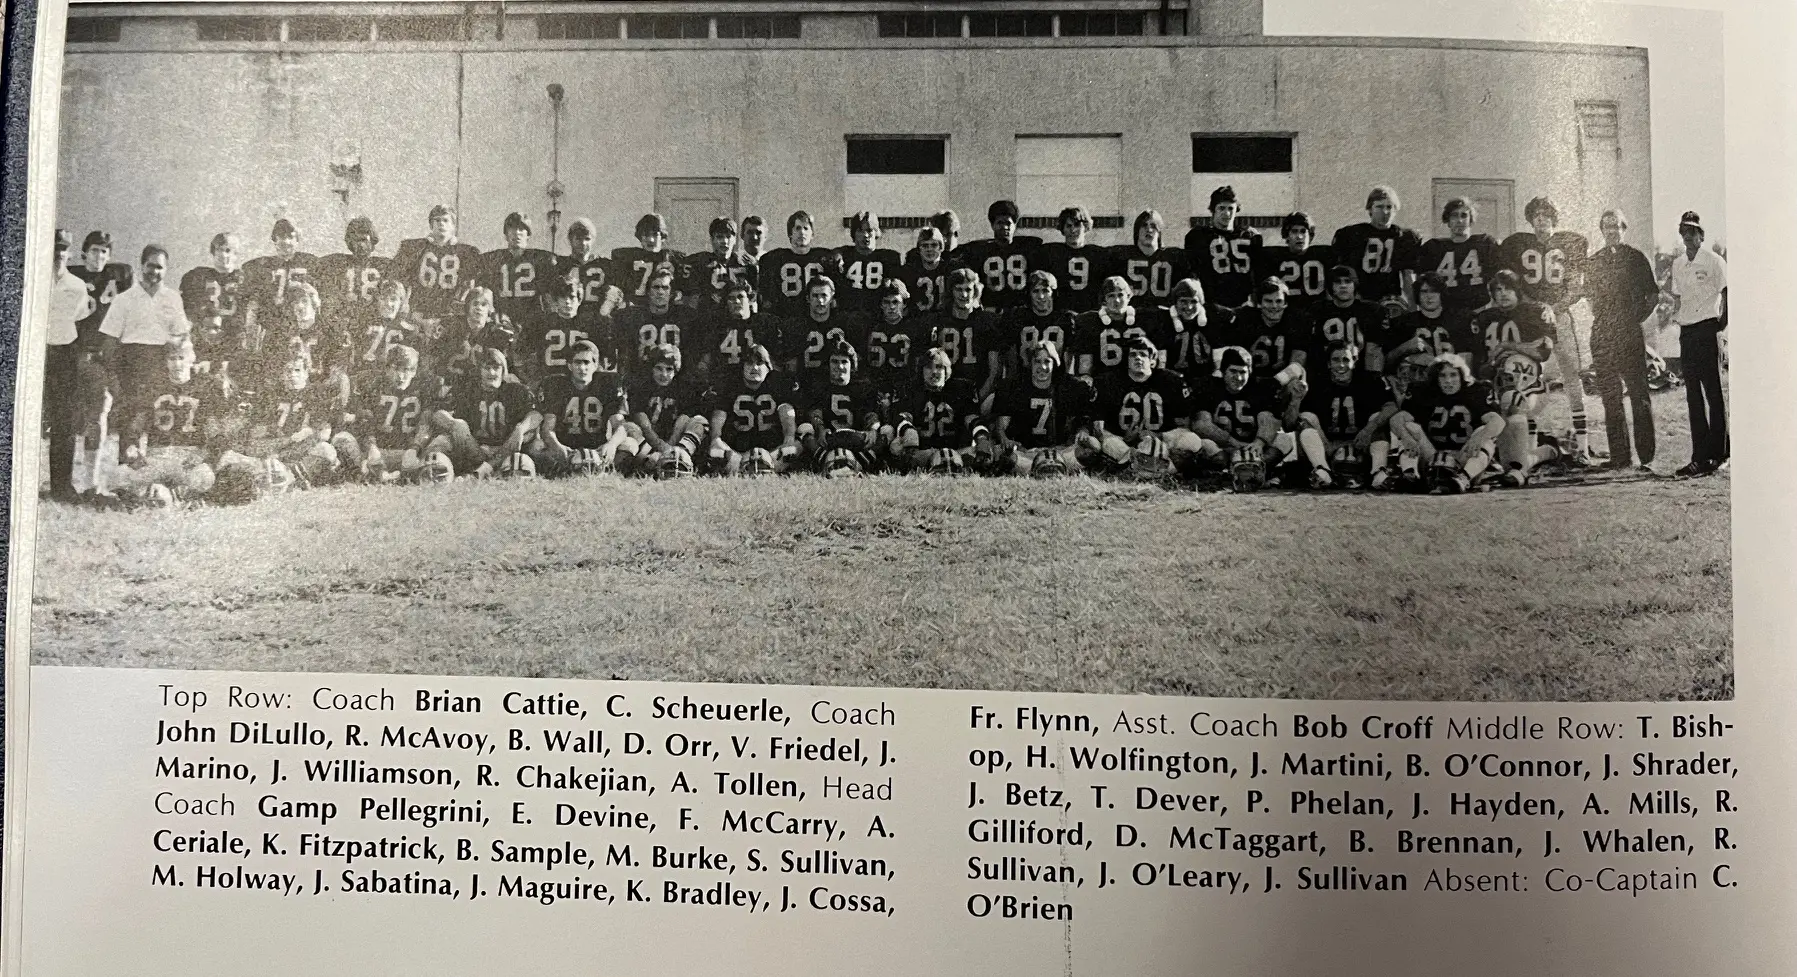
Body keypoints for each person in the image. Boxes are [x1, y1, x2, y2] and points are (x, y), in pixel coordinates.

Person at [1501, 196, 1593, 460]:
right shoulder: (1519, 245)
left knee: (1571, 375)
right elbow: (1515, 286)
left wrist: (1555, 307)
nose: (1541, 219)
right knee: (1529, 375)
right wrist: (1536, 306)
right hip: (1532, 317)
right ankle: (1528, 447)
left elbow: (1576, 287)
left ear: (1554, 217)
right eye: (1536, 215)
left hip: (1560, 317)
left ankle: (1583, 447)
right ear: (1530, 219)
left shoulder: (1569, 244)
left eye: (1546, 214)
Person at [99, 245, 191, 497]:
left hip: (162, 364)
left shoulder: (172, 298)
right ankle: (127, 484)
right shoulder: (124, 299)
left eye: (160, 267)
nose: (154, 272)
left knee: (161, 422)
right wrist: (113, 377)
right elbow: (110, 341)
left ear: (166, 270)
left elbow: (182, 334)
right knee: (132, 424)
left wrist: (177, 355)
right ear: (142, 266)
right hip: (132, 365)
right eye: (150, 266)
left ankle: (157, 481)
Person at [1584, 208, 1660, 472]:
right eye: (1607, 226)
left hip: (1629, 333)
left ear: (1624, 229)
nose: (1612, 231)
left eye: (1616, 226)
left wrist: (1634, 318)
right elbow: (1591, 299)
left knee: (1639, 394)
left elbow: (1652, 296)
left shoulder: (1636, 258)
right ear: (1602, 230)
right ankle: (1620, 457)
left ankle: (1646, 457)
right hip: (1603, 334)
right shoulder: (1594, 261)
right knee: (1610, 396)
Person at [110, 339, 227, 506]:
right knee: (118, 476)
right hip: (158, 457)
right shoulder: (154, 387)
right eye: (172, 358)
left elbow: (217, 435)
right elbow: (135, 427)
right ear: (165, 361)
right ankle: (172, 495)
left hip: (187, 458)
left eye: (181, 358)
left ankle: (164, 494)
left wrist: (201, 456)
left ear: (191, 360)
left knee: (204, 476)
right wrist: (132, 447)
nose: (177, 364)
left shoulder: (203, 389)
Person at [1089, 335, 1211, 479]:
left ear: (1152, 360)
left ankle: (1141, 467)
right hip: (1123, 441)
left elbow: (1183, 424)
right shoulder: (1109, 382)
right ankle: (1165, 468)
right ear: (1126, 360)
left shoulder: (1171, 381)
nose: (1138, 358)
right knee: (1110, 442)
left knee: (1192, 440)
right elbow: (1099, 429)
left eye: (1143, 354)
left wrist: (1158, 436)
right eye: (1133, 355)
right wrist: (1127, 439)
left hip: (1162, 438)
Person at [1667, 210, 1728, 476]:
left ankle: (1719, 454)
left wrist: (1721, 325)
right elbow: (1678, 297)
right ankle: (1699, 457)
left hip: (1708, 329)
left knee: (1713, 393)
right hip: (1688, 333)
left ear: (1701, 236)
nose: (1687, 237)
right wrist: (1677, 319)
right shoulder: (1678, 264)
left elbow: (1728, 292)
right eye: (1683, 232)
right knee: (1693, 395)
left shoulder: (1713, 260)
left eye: (1692, 232)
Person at [984, 340, 1096, 476]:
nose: (1042, 367)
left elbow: (1082, 420)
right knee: (1002, 455)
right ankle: (1048, 468)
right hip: (1025, 452)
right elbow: (1001, 427)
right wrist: (1005, 440)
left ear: (1055, 363)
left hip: (1060, 450)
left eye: (1047, 361)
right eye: (1037, 361)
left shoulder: (1067, 388)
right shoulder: (1015, 387)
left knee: (1091, 448)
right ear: (1030, 363)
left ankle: (1042, 468)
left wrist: (1082, 432)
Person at [1395, 355, 1505, 493]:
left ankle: (1463, 479)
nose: (1448, 380)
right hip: (1431, 456)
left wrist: (1479, 437)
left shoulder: (1476, 392)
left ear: (1462, 376)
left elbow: (1498, 421)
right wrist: (1406, 437)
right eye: (1442, 375)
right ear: (1436, 378)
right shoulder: (1424, 392)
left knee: (1483, 431)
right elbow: (1397, 419)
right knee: (1410, 427)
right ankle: (1410, 476)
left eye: (1453, 375)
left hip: (1464, 458)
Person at [426, 346, 541, 478]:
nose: (492, 372)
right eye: (487, 368)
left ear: (504, 370)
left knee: (528, 439)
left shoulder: (516, 390)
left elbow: (536, 415)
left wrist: (521, 429)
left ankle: (482, 471)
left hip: (505, 450)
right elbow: (438, 412)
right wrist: (454, 423)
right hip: (472, 447)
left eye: (496, 368)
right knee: (441, 441)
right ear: (479, 371)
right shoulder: (467, 389)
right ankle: (428, 473)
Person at [1295, 341, 1396, 489]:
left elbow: (1392, 407)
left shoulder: (1369, 380)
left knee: (1378, 418)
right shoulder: (1317, 383)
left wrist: (1368, 430)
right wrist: (1326, 443)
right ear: (1328, 364)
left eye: (1346, 360)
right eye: (1336, 360)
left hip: (1362, 442)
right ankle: (1322, 471)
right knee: (1306, 418)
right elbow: (1300, 418)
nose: (1341, 365)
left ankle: (1378, 472)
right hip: (1327, 445)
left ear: (1354, 362)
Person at [1192, 345, 1292, 491]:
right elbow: (1201, 424)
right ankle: (1238, 474)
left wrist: (1260, 442)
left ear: (1249, 372)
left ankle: (1253, 470)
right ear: (1223, 371)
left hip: (1253, 447)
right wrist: (1232, 443)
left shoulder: (1259, 386)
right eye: (1233, 371)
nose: (1238, 378)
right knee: (1204, 444)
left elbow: (1268, 418)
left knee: (1285, 440)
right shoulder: (1209, 386)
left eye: (1243, 372)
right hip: (1223, 446)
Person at [533, 339, 633, 475]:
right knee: (537, 446)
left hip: (597, 448)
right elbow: (547, 428)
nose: (582, 367)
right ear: (569, 365)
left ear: (595, 365)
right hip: (566, 448)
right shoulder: (556, 384)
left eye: (586, 362)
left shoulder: (608, 384)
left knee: (630, 444)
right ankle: (564, 468)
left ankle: (603, 468)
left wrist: (611, 444)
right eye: (577, 362)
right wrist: (557, 446)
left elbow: (619, 426)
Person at [344, 344, 439, 484]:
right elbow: (366, 420)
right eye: (395, 369)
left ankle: (385, 475)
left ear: (414, 371)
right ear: (387, 369)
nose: (401, 376)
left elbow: (425, 423)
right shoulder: (375, 385)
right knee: (346, 443)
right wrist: (372, 447)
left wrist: (414, 448)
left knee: (436, 454)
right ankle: (387, 474)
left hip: (408, 451)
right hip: (379, 450)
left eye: (406, 369)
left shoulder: (423, 387)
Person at [45, 230, 92, 503]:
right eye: (54, 248)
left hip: (63, 352)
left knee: (64, 421)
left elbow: (80, 319)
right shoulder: (31, 278)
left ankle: (61, 486)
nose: (58, 254)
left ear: (70, 253)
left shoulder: (77, 285)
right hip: (34, 351)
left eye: (63, 249)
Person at [707, 342, 800, 475]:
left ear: (768, 367)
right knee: (716, 451)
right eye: (749, 363)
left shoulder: (777, 383)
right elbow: (719, 414)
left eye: (759, 363)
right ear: (742, 366)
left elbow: (786, 411)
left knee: (795, 444)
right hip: (737, 448)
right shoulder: (731, 384)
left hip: (772, 447)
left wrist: (789, 437)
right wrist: (716, 437)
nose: (754, 367)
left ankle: (767, 466)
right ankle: (747, 466)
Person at [889, 346, 985, 473]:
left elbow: (971, 419)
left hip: (957, 450)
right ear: (921, 370)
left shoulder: (960, 390)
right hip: (923, 452)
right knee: (895, 444)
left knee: (986, 448)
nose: (934, 372)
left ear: (947, 370)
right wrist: (908, 430)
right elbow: (903, 417)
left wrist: (982, 437)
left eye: (939, 367)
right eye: (929, 367)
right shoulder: (912, 390)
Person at [1330, 185, 1423, 315]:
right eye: (1379, 207)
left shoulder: (1404, 237)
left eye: (1389, 207)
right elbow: (1343, 273)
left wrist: (1413, 309)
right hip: (1360, 297)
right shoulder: (1352, 234)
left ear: (1395, 210)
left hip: (1391, 301)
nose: (1385, 212)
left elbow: (1408, 277)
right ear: (1370, 209)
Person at [800, 339, 885, 475]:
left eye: (844, 362)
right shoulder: (820, 388)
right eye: (835, 361)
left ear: (852, 365)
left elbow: (871, 414)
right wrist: (820, 428)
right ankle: (828, 461)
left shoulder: (862, 387)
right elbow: (815, 413)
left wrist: (872, 430)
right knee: (804, 429)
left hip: (856, 438)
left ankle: (857, 463)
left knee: (887, 431)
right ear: (828, 365)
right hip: (829, 439)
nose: (839, 366)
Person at [390, 204, 483, 324]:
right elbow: (398, 278)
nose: (441, 224)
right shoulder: (415, 248)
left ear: (453, 225)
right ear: (431, 225)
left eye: (445, 220)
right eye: (437, 220)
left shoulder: (467, 253)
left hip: (451, 314)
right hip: (420, 312)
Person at [240, 218, 320, 352]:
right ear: (274, 240)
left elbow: (319, 297)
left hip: (303, 325)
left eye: (290, 237)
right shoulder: (263, 266)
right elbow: (254, 301)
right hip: (275, 325)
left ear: (297, 240)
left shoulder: (310, 262)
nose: (286, 241)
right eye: (282, 237)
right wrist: (251, 326)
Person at [925, 267, 1004, 401]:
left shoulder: (987, 322)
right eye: (959, 289)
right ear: (951, 291)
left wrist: (977, 400)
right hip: (943, 391)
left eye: (968, 289)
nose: (964, 295)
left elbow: (994, 371)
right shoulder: (938, 321)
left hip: (976, 389)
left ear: (975, 291)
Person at [628, 343, 706, 477]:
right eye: (659, 368)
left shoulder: (683, 388)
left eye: (669, 369)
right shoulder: (641, 387)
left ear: (676, 370)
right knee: (629, 427)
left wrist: (671, 449)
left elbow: (682, 422)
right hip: (649, 443)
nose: (663, 374)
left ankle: (680, 457)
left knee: (700, 422)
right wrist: (663, 449)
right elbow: (644, 425)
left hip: (675, 442)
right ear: (651, 368)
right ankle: (653, 461)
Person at [1417, 197, 1500, 315]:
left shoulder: (1485, 243)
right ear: (1447, 220)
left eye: (1464, 215)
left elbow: (1497, 279)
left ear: (1471, 219)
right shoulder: (1433, 247)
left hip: (1480, 310)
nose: (1460, 220)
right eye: (1454, 216)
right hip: (1445, 313)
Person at [954, 200, 1039, 311]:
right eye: (1000, 223)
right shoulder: (981, 251)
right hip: (992, 311)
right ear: (992, 225)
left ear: (1015, 225)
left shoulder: (1028, 249)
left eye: (1008, 223)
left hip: (1020, 310)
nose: (1004, 227)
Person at [760, 210, 843, 319]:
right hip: (788, 314)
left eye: (806, 228)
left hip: (815, 315)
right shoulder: (777, 258)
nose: (802, 232)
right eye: (797, 228)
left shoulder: (823, 257)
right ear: (790, 233)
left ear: (812, 234)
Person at [314, 216, 389, 337]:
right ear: (350, 242)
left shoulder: (383, 265)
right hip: (346, 322)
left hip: (372, 322)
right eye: (356, 240)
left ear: (372, 241)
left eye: (364, 240)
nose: (361, 245)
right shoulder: (338, 262)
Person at [786, 274, 866, 388]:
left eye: (824, 295)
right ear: (808, 298)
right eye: (815, 296)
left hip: (836, 383)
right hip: (807, 384)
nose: (820, 300)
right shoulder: (797, 325)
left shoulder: (844, 323)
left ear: (832, 298)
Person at [477, 211, 558, 322]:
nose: (517, 233)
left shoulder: (541, 259)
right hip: (503, 317)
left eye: (521, 229)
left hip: (532, 319)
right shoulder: (493, 259)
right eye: (512, 228)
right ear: (506, 235)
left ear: (528, 235)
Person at [1182, 188, 1257, 307]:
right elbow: (1193, 274)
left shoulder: (1249, 236)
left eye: (1230, 208)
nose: (1227, 213)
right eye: (1221, 208)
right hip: (1212, 304)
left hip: (1243, 304)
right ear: (1213, 209)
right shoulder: (1198, 236)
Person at [1034, 206, 1116, 313]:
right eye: (1068, 226)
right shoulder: (1052, 253)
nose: (1073, 230)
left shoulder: (1098, 254)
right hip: (1061, 311)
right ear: (1062, 229)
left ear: (1085, 227)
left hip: (1091, 310)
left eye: (1077, 225)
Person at [615, 267, 698, 368]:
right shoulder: (634, 315)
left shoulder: (684, 315)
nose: (660, 292)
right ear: (648, 292)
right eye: (656, 287)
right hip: (641, 371)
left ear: (671, 294)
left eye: (665, 288)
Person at [1255, 212, 1332, 314]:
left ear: (1310, 235)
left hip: (1317, 311)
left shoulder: (1325, 255)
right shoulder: (1273, 257)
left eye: (1303, 231)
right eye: (1294, 231)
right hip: (1286, 313)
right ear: (1286, 235)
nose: (1299, 236)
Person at [834, 211, 905, 314]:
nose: (865, 235)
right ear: (853, 234)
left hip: (878, 315)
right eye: (860, 231)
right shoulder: (845, 255)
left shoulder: (889, 257)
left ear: (876, 232)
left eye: (869, 230)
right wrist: (837, 255)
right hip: (851, 315)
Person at [679, 217, 756, 310]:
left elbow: (754, 298)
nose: (724, 241)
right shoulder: (699, 262)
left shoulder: (746, 264)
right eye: (719, 237)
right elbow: (690, 300)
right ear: (712, 239)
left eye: (728, 236)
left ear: (735, 240)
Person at [1118, 208, 1191, 305]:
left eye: (1153, 226)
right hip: (1132, 311)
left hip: (1163, 311)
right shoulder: (1122, 256)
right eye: (1144, 225)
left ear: (1159, 232)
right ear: (1137, 231)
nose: (1149, 230)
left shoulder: (1174, 257)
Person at [611, 213, 682, 306]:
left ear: (663, 237)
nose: (650, 239)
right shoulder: (627, 257)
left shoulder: (672, 258)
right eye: (645, 235)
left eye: (655, 234)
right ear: (640, 237)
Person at [560, 218, 625, 317]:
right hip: (570, 317)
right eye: (578, 238)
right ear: (570, 239)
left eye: (587, 239)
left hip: (596, 317)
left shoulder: (605, 265)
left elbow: (617, 294)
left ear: (593, 240)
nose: (583, 243)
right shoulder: (561, 265)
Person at [897, 225, 952, 314]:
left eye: (934, 245)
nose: (929, 249)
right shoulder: (909, 271)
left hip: (944, 318)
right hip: (918, 318)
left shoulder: (949, 269)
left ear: (941, 247)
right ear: (919, 249)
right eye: (925, 245)